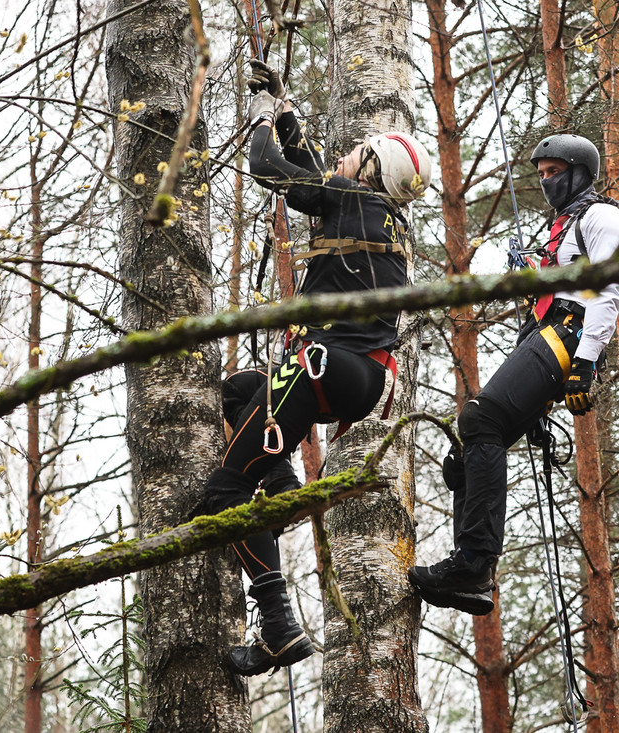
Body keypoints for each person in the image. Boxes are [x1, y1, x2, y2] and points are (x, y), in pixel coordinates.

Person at [200, 60, 432, 676]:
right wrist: (286, 110)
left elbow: (276, 174)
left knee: (220, 495)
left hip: (327, 366)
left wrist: (258, 122)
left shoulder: (353, 198)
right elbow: (313, 180)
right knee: (236, 393)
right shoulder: (379, 216)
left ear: (374, 170)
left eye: (358, 153)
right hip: (355, 378)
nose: (348, 158)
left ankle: (275, 616)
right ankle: (279, 491)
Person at [408, 133, 619, 615]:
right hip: (548, 332)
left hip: (573, 333)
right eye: (542, 174)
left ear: (578, 173)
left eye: (555, 172)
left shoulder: (603, 217)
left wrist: (586, 363)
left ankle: (474, 561)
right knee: (468, 445)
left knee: (480, 421)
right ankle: (470, 573)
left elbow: (608, 292)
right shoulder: (561, 228)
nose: (546, 181)